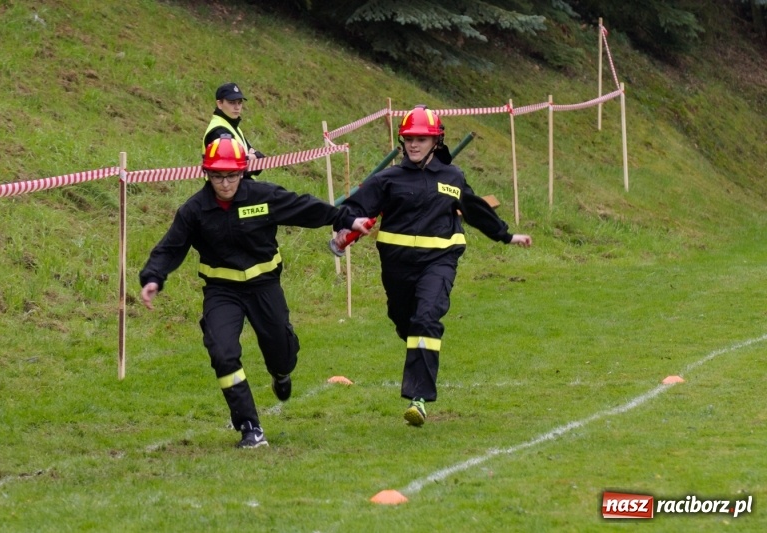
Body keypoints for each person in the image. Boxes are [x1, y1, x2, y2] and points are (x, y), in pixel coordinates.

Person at [140, 135, 358, 448]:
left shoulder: (262, 196)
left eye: (230, 175)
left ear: (242, 172)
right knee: (222, 352)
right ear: (207, 173)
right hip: (222, 291)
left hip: (264, 287)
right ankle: (250, 428)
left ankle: (281, 372)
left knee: (281, 352)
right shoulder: (194, 210)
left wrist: (345, 218)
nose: (224, 182)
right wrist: (153, 278)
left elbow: (304, 207)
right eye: (217, 175)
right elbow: (170, 247)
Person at [333, 105, 532, 427]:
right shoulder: (387, 179)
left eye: (422, 139)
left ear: (436, 142)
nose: (414, 144)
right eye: (409, 138)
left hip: (439, 260)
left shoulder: (452, 177)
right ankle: (416, 349)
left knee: (426, 319)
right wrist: (345, 226)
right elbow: (354, 208)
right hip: (397, 265)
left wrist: (506, 236)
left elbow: (474, 209)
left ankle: (419, 399)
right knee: (405, 321)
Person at [203, 82, 264, 179]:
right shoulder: (219, 131)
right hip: (226, 189)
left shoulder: (233, 127)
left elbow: (259, 161)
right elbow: (234, 167)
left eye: (239, 102)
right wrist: (251, 157)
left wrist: (253, 157)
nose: (237, 107)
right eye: (232, 102)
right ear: (219, 104)